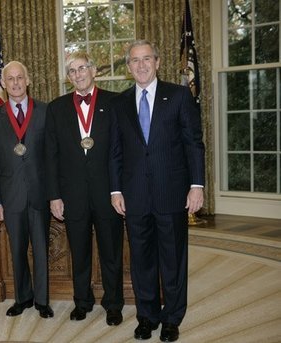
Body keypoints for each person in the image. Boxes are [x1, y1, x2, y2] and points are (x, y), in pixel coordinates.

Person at [109, 40, 205, 342]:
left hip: (172, 193)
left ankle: (172, 318)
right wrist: (115, 190)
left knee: (173, 260)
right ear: (128, 67)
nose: (141, 65)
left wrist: (197, 186)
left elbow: (193, 143)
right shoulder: (120, 103)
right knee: (142, 260)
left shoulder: (178, 96)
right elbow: (115, 151)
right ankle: (147, 316)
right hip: (135, 195)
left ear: (158, 62)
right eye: (135, 61)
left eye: (146, 59)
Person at [45, 51, 124, 325]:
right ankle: (82, 301)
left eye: (82, 68)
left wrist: (121, 189)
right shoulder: (56, 108)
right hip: (72, 195)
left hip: (108, 194)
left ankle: (113, 304)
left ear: (93, 70)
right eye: (72, 71)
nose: (78, 74)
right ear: (68, 77)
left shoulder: (116, 102)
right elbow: (51, 156)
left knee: (111, 251)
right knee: (78, 253)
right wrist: (54, 195)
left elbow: (122, 150)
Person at [0, 61, 53, 318]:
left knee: (41, 248)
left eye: (19, 77)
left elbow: (52, 156)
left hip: (40, 193)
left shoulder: (46, 112)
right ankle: (22, 297)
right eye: (10, 79)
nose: (15, 83)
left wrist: (55, 194)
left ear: (28, 80)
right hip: (11, 197)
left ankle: (42, 301)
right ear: (3, 84)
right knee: (17, 249)